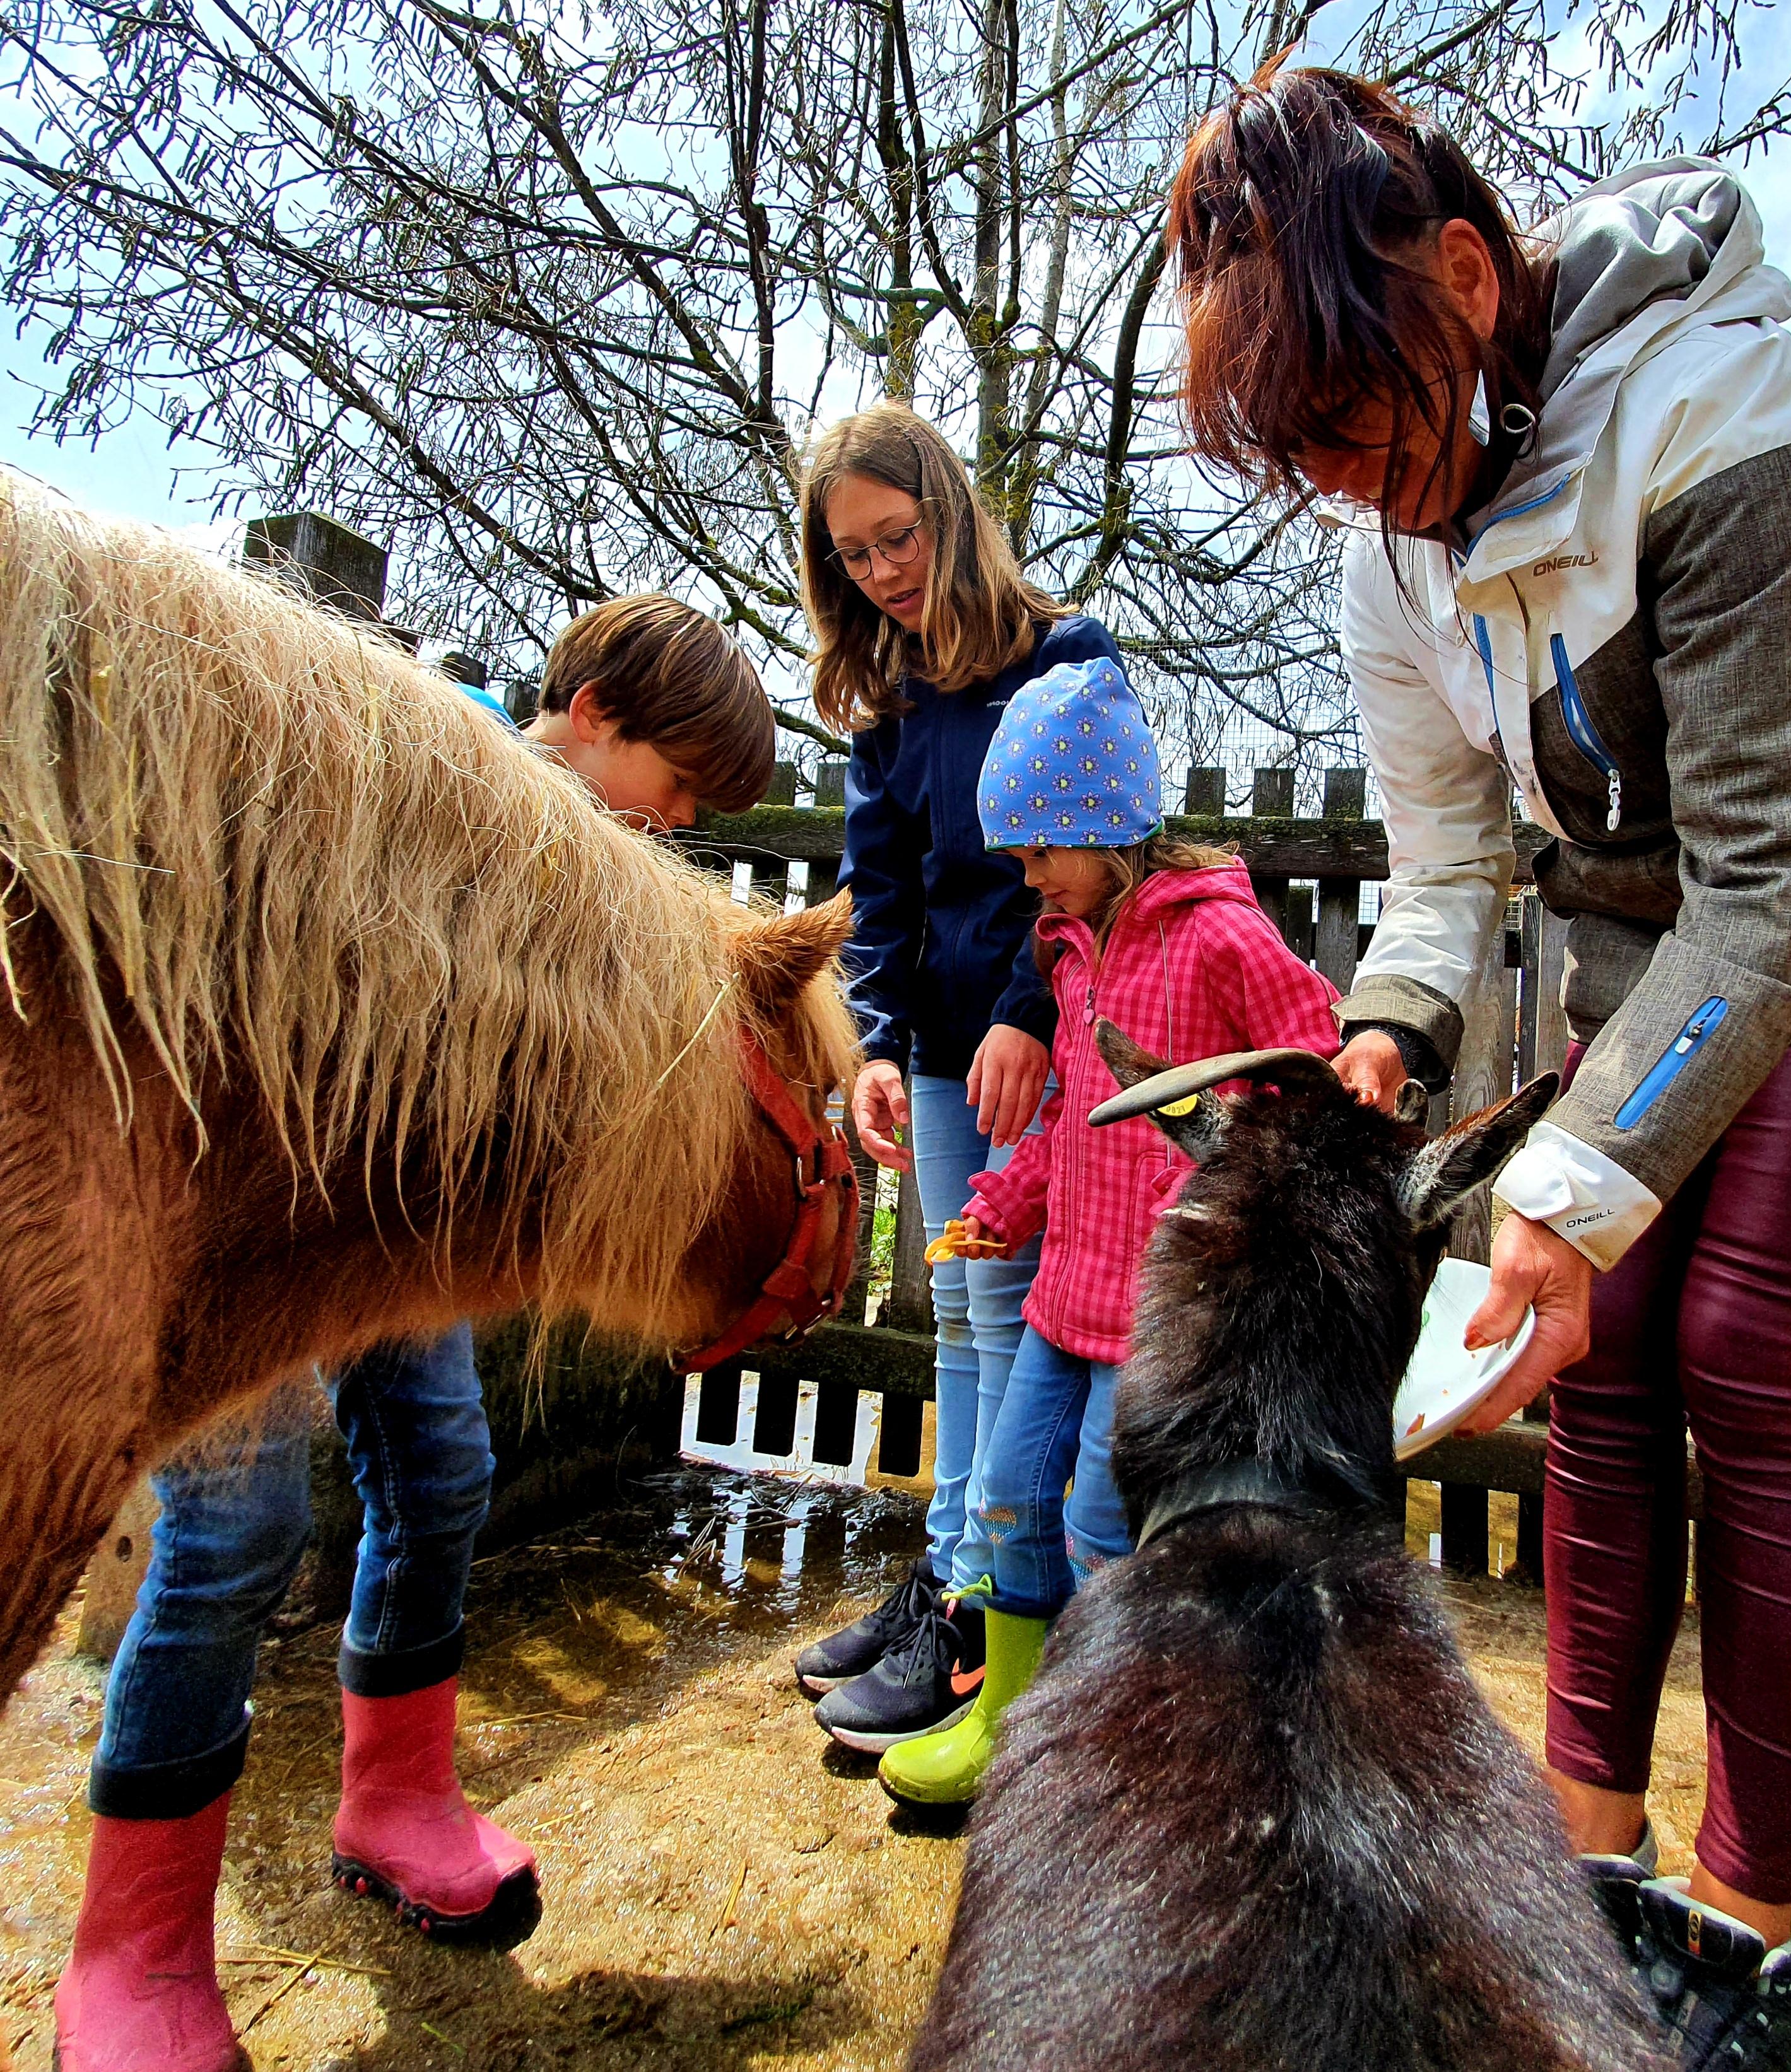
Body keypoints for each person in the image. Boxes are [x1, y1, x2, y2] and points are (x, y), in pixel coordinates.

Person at [1167, 66, 1791, 2072]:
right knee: (1606, 1354)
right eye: (1289, 447)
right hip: (1678, 944)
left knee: (1745, 1349)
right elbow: (1443, 862)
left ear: (1464, 276)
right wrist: (1391, 1026)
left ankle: (1742, 1931)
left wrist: (1566, 1191)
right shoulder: (1384, 539)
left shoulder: (1736, 418)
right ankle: (1587, 1852)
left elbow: (1790, 876)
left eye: (1345, 417)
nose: (1337, 477)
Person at [55, 594, 777, 2072]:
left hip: (393, 1233)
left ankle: (395, 1799)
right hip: (255, 1222)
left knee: (446, 1464)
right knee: (236, 1529)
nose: (681, 824)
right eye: (681, 784)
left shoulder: (569, 880)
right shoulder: (421, 769)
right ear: (592, 715)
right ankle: (131, 1947)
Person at [874, 655, 1344, 1807]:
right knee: (1004, 1503)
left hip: (1158, 1321)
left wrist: (1260, 1189)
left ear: (1108, 823)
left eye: (1039, 850)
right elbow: (1066, 1118)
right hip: (1060, 1304)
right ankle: (1006, 1727)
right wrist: (1003, 1200)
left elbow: (1311, 1063)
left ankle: (1104, 1756)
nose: (1026, 877)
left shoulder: (1219, 937)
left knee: (1099, 1534)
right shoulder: (1073, 951)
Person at [792, 402, 1127, 1754]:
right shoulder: (887, 693)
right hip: (932, 1049)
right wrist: (872, 1043)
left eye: (897, 535)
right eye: (851, 554)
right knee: (954, 1316)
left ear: (949, 509)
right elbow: (879, 890)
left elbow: (1084, 855)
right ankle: (946, 1575)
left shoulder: (1065, 654)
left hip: (1024, 1040)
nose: (879, 570)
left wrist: (1027, 1014)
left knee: (1007, 1319)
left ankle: (989, 1608)